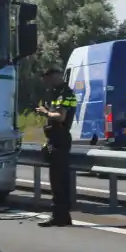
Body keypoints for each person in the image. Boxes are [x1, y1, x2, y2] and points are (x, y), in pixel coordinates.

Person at [36, 67, 77, 227]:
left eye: (47, 78)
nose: (46, 83)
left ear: (53, 77)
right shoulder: (56, 92)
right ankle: (62, 216)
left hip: (60, 139)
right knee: (57, 180)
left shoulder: (64, 93)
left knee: (59, 181)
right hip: (55, 138)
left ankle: (59, 216)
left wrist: (45, 112)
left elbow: (60, 116)